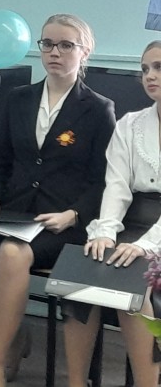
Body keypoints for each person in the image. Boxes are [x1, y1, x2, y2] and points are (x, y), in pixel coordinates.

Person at [0, 13, 114, 387]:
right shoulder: (19, 98)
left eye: (66, 45)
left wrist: (74, 213)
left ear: (84, 52)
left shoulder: (99, 109)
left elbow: (104, 180)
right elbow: (0, 161)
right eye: (47, 44)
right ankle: (16, 335)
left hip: (62, 221)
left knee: (13, 254)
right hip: (15, 212)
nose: (54, 52)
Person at [64, 40, 161, 387]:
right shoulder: (130, 124)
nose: (149, 76)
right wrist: (104, 232)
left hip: (156, 234)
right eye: (145, 69)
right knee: (85, 268)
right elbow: (117, 186)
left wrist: (147, 246)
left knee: (133, 278)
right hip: (132, 220)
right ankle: (77, 382)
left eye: (158, 67)